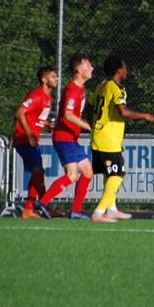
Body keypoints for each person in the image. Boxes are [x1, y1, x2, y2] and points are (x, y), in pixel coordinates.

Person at [88, 55, 154, 223]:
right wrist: (144, 115)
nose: (126, 71)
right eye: (124, 68)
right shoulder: (115, 88)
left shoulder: (102, 85)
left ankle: (111, 209)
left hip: (100, 136)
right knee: (118, 174)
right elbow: (123, 111)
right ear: (119, 70)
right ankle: (99, 211)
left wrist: (93, 125)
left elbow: (90, 106)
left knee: (109, 174)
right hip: (108, 139)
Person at [36, 54, 95, 220]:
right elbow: (68, 115)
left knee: (88, 172)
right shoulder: (72, 89)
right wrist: (88, 126)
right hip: (64, 138)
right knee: (72, 175)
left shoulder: (80, 89)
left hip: (71, 139)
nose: (91, 68)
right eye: (88, 65)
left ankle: (75, 210)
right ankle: (42, 203)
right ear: (78, 70)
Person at [13, 66, 62, 219]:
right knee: (38, 171)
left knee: (38, 172)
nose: (57, 79)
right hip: (24, 138)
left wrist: (47, 125)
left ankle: (34, 208)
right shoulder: (37, 95)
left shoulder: (48, 98)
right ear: (44, 80)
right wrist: (29, 133)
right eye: (53, 76)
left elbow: (36, 116)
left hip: (31, 139)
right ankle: (37, 207)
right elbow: (20, 112)